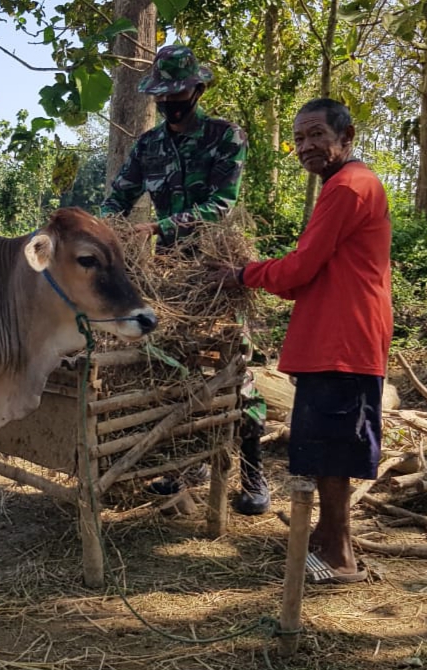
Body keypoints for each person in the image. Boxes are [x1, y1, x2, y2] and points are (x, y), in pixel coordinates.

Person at [203, 98, 393, 583]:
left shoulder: (348, 187)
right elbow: (303, 273)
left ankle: (338, 557)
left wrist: (242, 274)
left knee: (332, 452)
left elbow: (302, 266)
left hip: (342, 341)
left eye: (317, 136)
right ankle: (328, 542)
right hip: (335, 337)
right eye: (300, 138)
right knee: (330, 450)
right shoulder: (345, 186)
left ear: (346, 136)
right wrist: (270, 276)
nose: (306, 146)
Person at [99, 44, 270, 516]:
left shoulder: (224, 136)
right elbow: (119, 197)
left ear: (198, 88)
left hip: (219, 269)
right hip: (166, 274)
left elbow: (223, 205)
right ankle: (184, 464)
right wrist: (105, 232)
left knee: (235, 365)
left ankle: (254, 473)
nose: (172, 102)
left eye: (180, 92)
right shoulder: (148, 146)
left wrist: (158, 227)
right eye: (164, 95)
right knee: (173, 362)